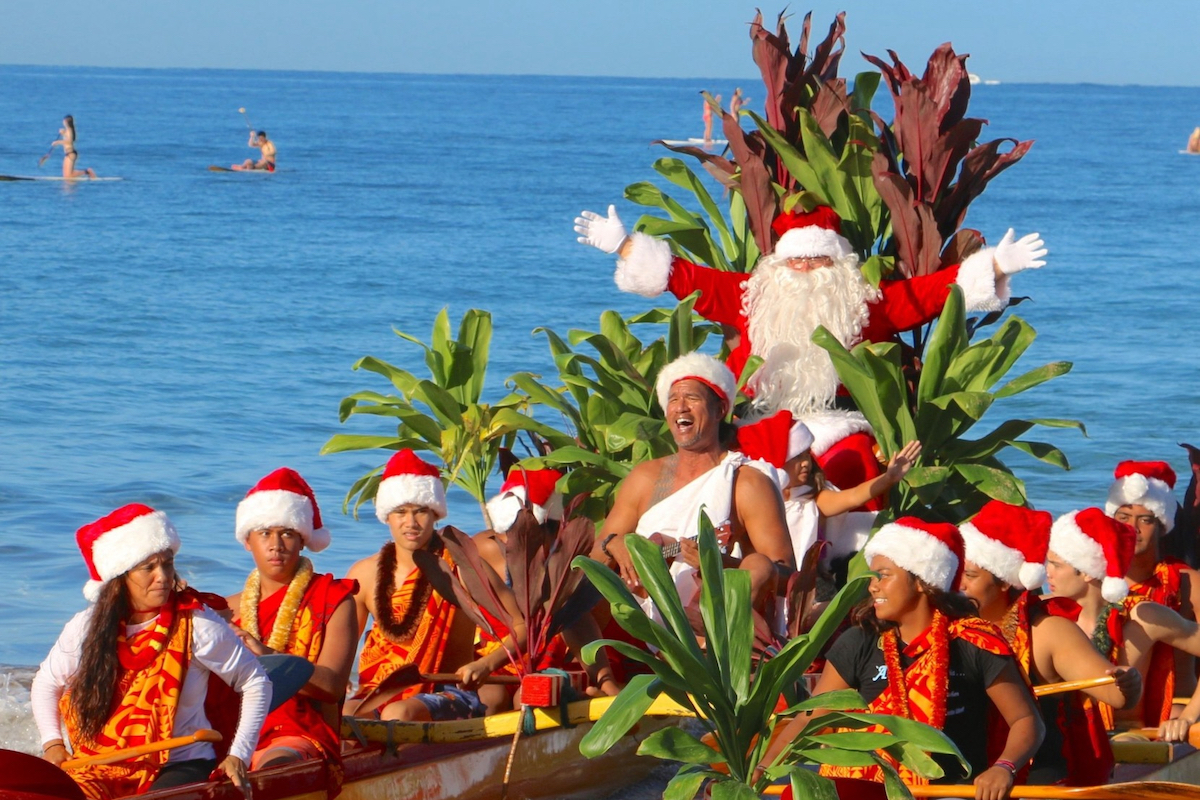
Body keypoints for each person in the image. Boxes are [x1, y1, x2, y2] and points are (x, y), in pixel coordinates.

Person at [574, 204, 1046, 506]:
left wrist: (997, 266)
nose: (804, 271)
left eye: (816, 262)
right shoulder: (751, 295)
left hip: (839, 421)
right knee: (740, 478)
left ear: (837, 265)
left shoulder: (862, 304)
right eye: (795, 261)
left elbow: (927, 295)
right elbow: (685, 277)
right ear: (778, 265)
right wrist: (623, 245)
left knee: (856, 463)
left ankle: (844, 566)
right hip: (762, 420)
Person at [764, 517, 1043, 800]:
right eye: (873, 577)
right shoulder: (858, 642)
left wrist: (1004, 767)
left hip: (951, 793)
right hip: (867, 788)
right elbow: (808, 720)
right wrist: (760, 772)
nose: (873, 587)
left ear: (922, 581)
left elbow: (1025, 720)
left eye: (884, 575)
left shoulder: (974, 643)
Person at [32, 504, 270, 799]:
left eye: (167, 564)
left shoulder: (199, 625)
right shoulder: (86, 627)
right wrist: (53, 744)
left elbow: (255, 681)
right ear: (120, 576)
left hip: (180, 762)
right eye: (149, 567)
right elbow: (47, 682)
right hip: (99, 764)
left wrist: (240, 755)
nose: (163, 576)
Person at [590, 351, 794, 629]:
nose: (681, 407)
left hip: (710, 623)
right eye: (673, 400)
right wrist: (611, 544)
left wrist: (719, 563)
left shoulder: (745, 483)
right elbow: (595, 560)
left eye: (692, 398)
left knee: (757, 565)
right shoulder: (646, 477)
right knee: (576, 589)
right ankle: (602, 673)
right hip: (638, 619)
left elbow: (786, 577)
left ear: (720, 409)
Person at [958, 500, 1141, 785]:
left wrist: (1129, 684)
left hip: (1037, 779)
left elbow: (1116, 696)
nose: (959, 585)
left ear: (1005, 581)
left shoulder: (1048, 630)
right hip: (970, 772)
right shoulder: (951, 625)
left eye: (969, 576)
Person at [346, 449, 526, 721]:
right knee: (346, 714)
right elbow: (343, 651)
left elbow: (521, 627)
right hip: (378, 692)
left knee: (400, 713)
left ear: (435, 514)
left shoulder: (462, 567)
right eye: (400, 512)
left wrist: (486, 664)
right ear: (387, 516)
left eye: (420, 512)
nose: (411, 522)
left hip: (450, 690)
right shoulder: (365, 573)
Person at [226, 468, 357, 770]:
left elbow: (333, 686)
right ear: (248, 541)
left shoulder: (334, 599)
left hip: (298, 734)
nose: (276, 544)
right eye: (265, 533)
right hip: (233, 730)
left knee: (274, 765)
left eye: (287, 533)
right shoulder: (228, 610)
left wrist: (267, 655)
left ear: (302, 540)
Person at [1046, 507, 1200, 741]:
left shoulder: (1144, 616)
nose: (1047, 573)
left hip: (1127, 735)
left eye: (1056, 565)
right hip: (1063, 736)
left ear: (1087, 572)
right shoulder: (1044, 615)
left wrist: (1187, 717)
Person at [476, 466, 621, 702]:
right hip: (493, 663)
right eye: (515, 533)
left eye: (535, 533)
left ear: (553, 534)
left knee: (531, 694)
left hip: (545, 669)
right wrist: (483, 665)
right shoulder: (483, 551)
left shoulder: (562, 562)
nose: (525, 542)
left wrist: (607, 683)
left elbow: (579, 623)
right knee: (490, 697)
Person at [736, 409, 920, 565]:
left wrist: (888, 478)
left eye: (806, 455)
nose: (806, 463)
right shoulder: (758, 504)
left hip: (810, 586)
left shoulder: (812, 499)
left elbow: (853, 496)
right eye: (797, 457)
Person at [1107, 460, 1199, 725]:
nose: (1131, 528)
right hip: (1111, 715)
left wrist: (1190, 717)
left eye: (1145, 520)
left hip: (1177, 713)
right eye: (1123, 518)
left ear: (1161, 525)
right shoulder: (1094, 580)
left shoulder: (1187, 582)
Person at [51, 115, 96, 179]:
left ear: (66, 122)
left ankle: (87, 171)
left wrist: (58, 142)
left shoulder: (69, 130)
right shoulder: (68, 130)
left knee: (69, 176)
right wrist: (63, 133)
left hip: (71, 153)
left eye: (64, 121)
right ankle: (86, 172)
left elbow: (69, 141)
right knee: (66, 176)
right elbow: (67, 137)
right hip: (67, 153)